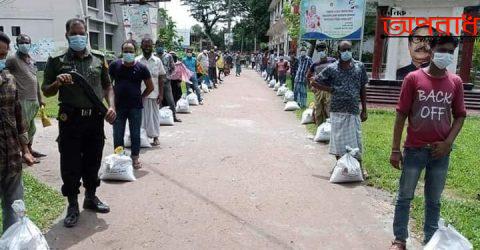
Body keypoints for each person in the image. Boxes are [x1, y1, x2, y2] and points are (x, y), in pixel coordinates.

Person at [389, 35, 465, 250]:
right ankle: (399, 240)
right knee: (405, 196)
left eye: (451, 51)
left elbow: (460, 115)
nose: (446, 55)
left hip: (440, 152)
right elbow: (401, 115)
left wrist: (448, 143)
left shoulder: (455, 82)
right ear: (431, 50)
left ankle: (430, 240)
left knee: (434, 200)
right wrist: (395, 149)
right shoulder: (413, 79)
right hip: (414, 149)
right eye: (442, 49)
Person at [42, 18, 117, 228]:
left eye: (81, 33)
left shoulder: (98, 59)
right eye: (74, 33)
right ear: (67, 35)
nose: (78, 37)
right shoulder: (56, 61)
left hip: (94, 118)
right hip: (70, 118)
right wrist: (57, 82)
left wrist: (111, 106)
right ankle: (73, 204)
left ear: (86, 34)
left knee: (93, 159)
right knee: (70, 161)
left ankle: (91, 197)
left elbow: (107, 86)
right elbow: (46, 89)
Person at [312, 40, 368, 173]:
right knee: (338, 141)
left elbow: (362, 88)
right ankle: (341, 165)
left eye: (349, 49)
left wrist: (364, 109)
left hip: (353, 110)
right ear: (339, 52)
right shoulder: (332, 68)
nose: (347, 52)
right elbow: (314, 81)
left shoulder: (359, 67)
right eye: (344, 50)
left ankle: (358, 167)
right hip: (337, 110)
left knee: (356, 140)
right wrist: (330, 89)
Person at [0, 31, 35, 232]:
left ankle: (11, 241)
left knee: (14, 206)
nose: (1, 59)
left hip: (12, 156)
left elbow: (18, 115)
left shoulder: (9, 79)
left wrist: (25, 149)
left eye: (3, 56)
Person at [110, 41, 153, 169]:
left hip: (135, 107)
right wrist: (110, 104)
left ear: (136, 52)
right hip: (118, 107)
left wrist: (141, 97)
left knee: (135, 134)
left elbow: (150, 87)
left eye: (131, 51)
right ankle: (119, 158)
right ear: (122, 52)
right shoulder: (114, 66)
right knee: (118, 134)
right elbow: (108, 86)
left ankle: (135, 159)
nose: (128, 53)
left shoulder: (141, 68)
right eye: (126, 51)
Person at [6, 34, 46, 162]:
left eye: (27, 42)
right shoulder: (12, 59)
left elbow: (35, 80)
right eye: (22, 42)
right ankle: (24, 153)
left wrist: (40, 99)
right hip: (21, 99)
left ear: (30, 44)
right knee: (23, 127)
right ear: (17, 44)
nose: (25, 44)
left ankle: (30, 148)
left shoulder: (31, 60)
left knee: (31, 128)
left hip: (33, 99)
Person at [136, 38, 165, 146]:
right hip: (140, 94)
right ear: (141, 46)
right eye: (145, 45)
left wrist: (161, 94)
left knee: (154, 117)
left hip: (154, 94)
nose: (147, 47)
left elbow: (161, 78)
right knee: (141, 118)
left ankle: (155, 137)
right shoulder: (137, 60)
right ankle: (142, 137)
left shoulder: (157, 61)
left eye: (149, 45)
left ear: (152, 46)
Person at [307, 42, 336, 125]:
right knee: (318, 110)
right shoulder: (315, 64)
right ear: (317, 52)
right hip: (318, 89)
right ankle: (320, 128)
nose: (321, 52)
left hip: (329, 89)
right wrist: (310, 87)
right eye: (319, 50)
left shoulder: (333, 61)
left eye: (323, 50)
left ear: (326, 50)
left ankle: (330, 129)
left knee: (329, 110)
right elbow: (308, 75)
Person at [156, 42, 181, 122]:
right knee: (157, 100)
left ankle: (174, 116)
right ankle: (158, 117)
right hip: (155, 82)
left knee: (170, 99)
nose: (159, 47)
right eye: (158, 46)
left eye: (161, 46)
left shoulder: (168, 56)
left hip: (166, 81)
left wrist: (169, 76)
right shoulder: (154, 56)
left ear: (163, 47)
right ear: (155, 47)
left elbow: (173, 68)